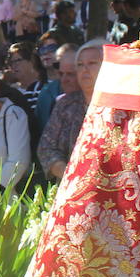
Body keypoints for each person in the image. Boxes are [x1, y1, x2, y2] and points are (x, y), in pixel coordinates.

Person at [37, 41, 104, 181]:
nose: (85, 69)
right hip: (68, 184)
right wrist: (70, 175)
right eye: (80, 64)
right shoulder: (65, 105)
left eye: (91, 63)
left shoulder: (118, 108)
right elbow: (45, 147)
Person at [4, 42, 47, 109]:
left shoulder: (45, 87)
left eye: (18, 60)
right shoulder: (11, 93)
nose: (13, 66)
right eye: (11, 62)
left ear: (32, 61)